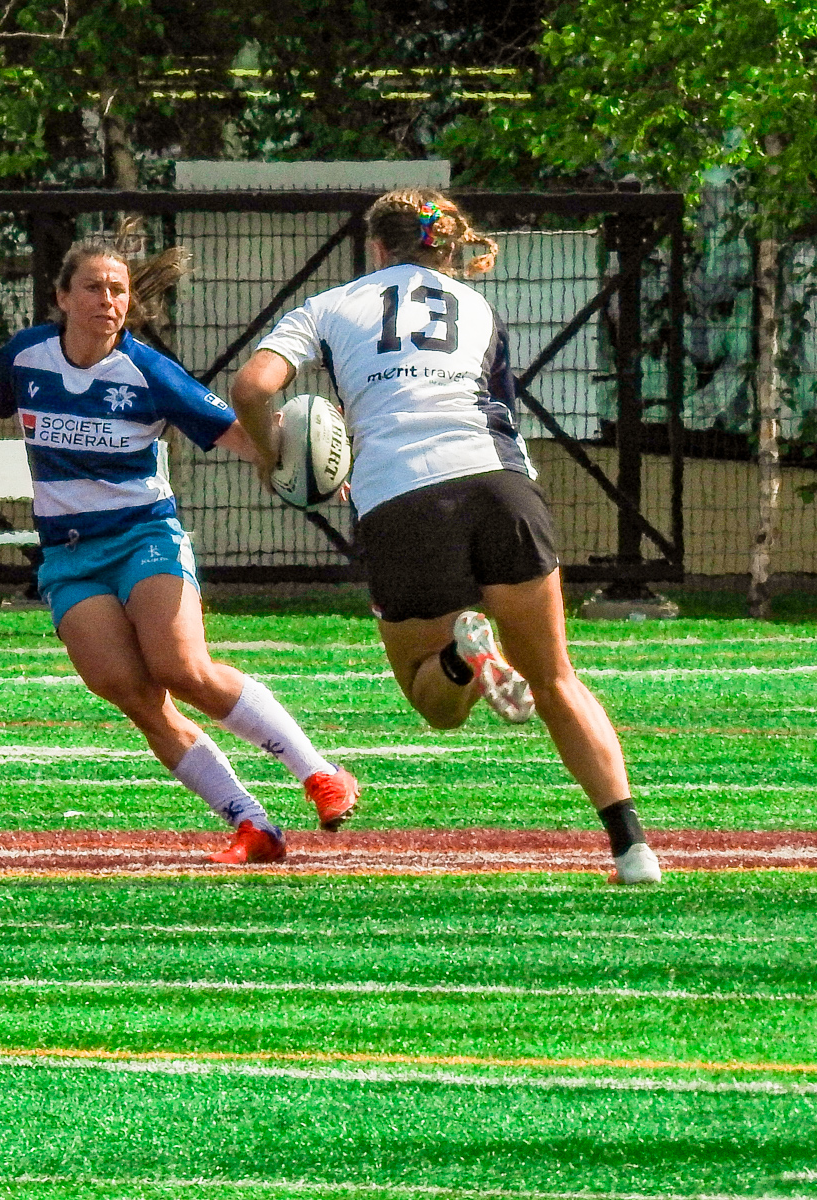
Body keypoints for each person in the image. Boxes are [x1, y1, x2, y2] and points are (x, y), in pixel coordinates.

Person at [230, 188, 662, 885]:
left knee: (434, 702)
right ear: (447, 246)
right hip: (499, 486)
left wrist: (267, 458)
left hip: (400, 499)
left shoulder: (332, 305)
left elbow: (251, 388)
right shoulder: (480, 307)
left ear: (376, 249)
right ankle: (632, 847)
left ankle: (464, 659)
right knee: (555, 678)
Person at [0, 233, 359, 864]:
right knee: (135, 695)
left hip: (144, 536)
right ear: (62, 296)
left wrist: (302, 465)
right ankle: (251, 824)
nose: (107, 299)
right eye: (92, 287)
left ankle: (319, 773)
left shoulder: (148, 371)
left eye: (117, 289)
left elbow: (233, 431)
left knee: (181, 668)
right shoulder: (26, 357)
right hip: (68, 555)